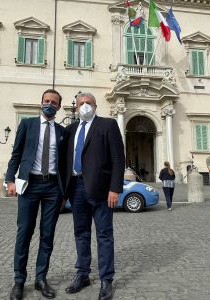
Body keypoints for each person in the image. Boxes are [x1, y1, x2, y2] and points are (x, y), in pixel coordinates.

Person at [5, 89, 68, 300]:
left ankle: (41, 278)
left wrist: (64, 192)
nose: (49, 104)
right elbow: (16, 154)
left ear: (59, 107)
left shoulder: (62, 131)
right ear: (40, 103)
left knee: (47, 235)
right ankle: (19, 281)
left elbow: (65, 164)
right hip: (28, 185)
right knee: (24, 232)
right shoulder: (27, 125)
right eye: (46, 101)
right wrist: (10, 180)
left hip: (52, 188)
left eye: (53, 102)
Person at [64, 92, 125, 300]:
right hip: (76, 188)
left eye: (88, 103)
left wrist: (115, 188)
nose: (84, 107)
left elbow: (118, 158)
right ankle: (83, 274)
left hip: (101, 190)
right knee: (81, 233)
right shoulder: (71, 129)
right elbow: (65, 161)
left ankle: (106, 279)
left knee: (104, 235)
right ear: (75, 108)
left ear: (95, 106)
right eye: (81, 104)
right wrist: (64, 192)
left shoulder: (108, 125)